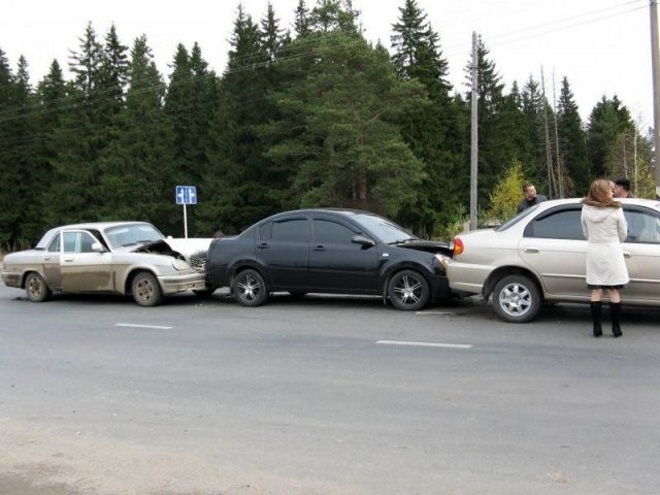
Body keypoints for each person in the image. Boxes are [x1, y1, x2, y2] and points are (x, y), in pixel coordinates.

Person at [581, 179, 629, 338]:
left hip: (594, 251)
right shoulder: (616, 209)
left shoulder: (585, 209)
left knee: (597, 290)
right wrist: (614, 240)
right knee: (613, 290)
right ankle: (616, 328)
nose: (613, 191)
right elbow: (623, 234)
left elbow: (585, 233)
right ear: (603, 191)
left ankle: (597, 328)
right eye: (611, 189)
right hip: (612, 251)